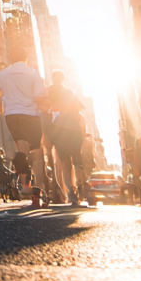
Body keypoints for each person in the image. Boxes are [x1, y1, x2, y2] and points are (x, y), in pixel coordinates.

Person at [0, 51, 47, 191]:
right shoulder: (33, 73)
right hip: (31, 115)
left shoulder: (2, 74)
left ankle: (26, 185)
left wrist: (2, 110)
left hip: (12, 115)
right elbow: (39, 96)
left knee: (22, 150)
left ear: (10, 58)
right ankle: (39, 185)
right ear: (26, 58)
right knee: (36, 150)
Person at [44, 71, 94, 206]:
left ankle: (71, 193)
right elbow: (80, 109)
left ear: (52, 79)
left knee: (65, 163)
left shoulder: (47, 92)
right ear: (63, 79)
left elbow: (44, 110)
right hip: (74, 130)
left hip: (59, 132)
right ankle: (81, 186)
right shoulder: (69, 92)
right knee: (77, 161)